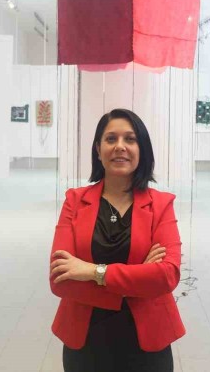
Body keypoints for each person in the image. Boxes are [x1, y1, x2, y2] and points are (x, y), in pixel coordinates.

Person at [49, 108, 185, 372]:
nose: (120, 146)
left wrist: (92, 271)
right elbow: (59, 279)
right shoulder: (75, 201)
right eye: (111, 139)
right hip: (86, 341)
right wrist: (139, 278)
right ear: (98, 150)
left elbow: (167, 275)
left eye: (130, 139)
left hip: (148, 343)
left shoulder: (161, 205)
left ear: (142, 149)